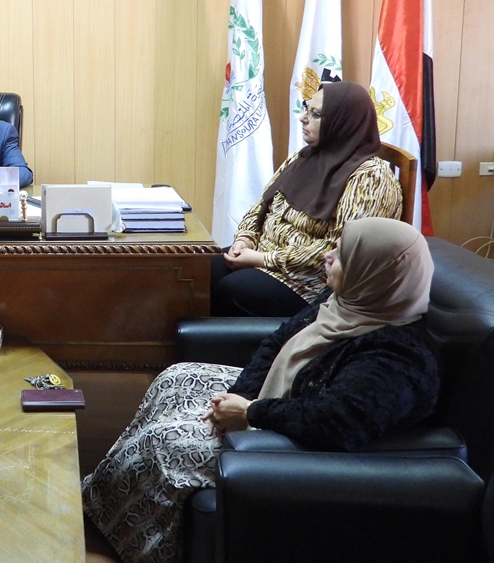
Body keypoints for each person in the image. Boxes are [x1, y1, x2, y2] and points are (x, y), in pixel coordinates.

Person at [83, 217, 439, 563]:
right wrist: (240, 394)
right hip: (279, 402)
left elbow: (334, 422)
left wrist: (250, 412)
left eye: (343, 255)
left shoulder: (396, 358)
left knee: (165, 442)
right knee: (176, 379)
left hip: (298, 447)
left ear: (374, 274)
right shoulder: (346, 301)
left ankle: (119, 540)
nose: (328, 256)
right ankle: (95, 502)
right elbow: (276, 343)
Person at [211, 80, 402, 317]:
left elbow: (340, 250)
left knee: (233, 289)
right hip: (266, 257)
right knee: (202, 269)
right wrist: (245, 239)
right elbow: (262, 206)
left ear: (343, 123)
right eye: (306, 109)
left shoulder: (370, 177)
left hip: (312, 284)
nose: (303, 118)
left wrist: (264, 259)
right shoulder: (305, 157)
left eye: (316, 114)